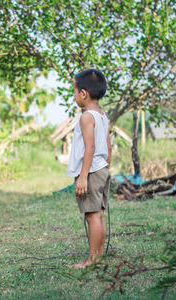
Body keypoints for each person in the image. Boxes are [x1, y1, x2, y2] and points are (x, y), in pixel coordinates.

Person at [66, 69, 112, 268]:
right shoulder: (103, 116)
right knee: (99, 214)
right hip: (102, 169)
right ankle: (98, 256)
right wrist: (107, 167)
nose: (74, 96)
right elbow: (108, 146)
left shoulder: (86, 117)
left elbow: (90, 147)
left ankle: (91, 261)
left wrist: (83, 176)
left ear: (83, 93)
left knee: (91, 216)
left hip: (91, 171)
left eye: (74, 91)